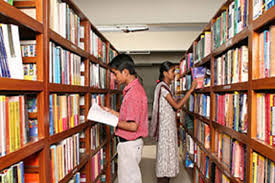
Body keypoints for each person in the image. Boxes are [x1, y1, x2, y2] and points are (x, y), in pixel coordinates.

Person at [103, 54, 148, 183]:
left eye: (115, 73)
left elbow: (133, 126)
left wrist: (111, 120)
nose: (114, 78)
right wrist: (111, 112)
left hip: (129, 145)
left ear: (125, 72)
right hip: (130, 145)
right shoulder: (133, 90)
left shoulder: (134, 93)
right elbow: (127, 117)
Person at [150, 61, 197, 183]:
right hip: (166, 132)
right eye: (172, 71)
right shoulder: (163, 88)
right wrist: (190, 90)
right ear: (165, 73)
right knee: (164, 164)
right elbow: (176, 106)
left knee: (167, 163)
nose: (175, 74)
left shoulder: (164, 87)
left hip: (168, 130)